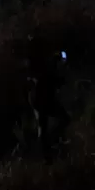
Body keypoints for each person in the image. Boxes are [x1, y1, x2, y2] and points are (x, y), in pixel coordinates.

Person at [22, 33, 70, 162]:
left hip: (36, 97)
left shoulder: (31, 61)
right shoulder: (41, 61)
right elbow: (47, 77)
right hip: (42, 96)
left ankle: (46, 155)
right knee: (63, 119)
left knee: (42, 126)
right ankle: (52, 146)